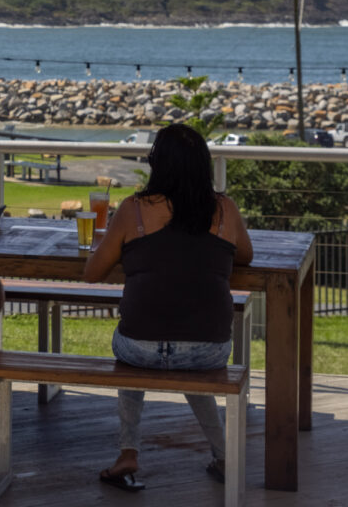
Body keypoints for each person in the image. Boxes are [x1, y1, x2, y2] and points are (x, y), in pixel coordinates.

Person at [82, 122, 254, 491]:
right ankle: (223, 455)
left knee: (136, 337)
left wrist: (120, 245)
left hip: (139, 348)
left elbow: (93, 272)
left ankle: (129, 450)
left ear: (156, 164)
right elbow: (246, 255)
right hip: (208, 350)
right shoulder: (224, 210)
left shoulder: (133, 210)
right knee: (191, 346)